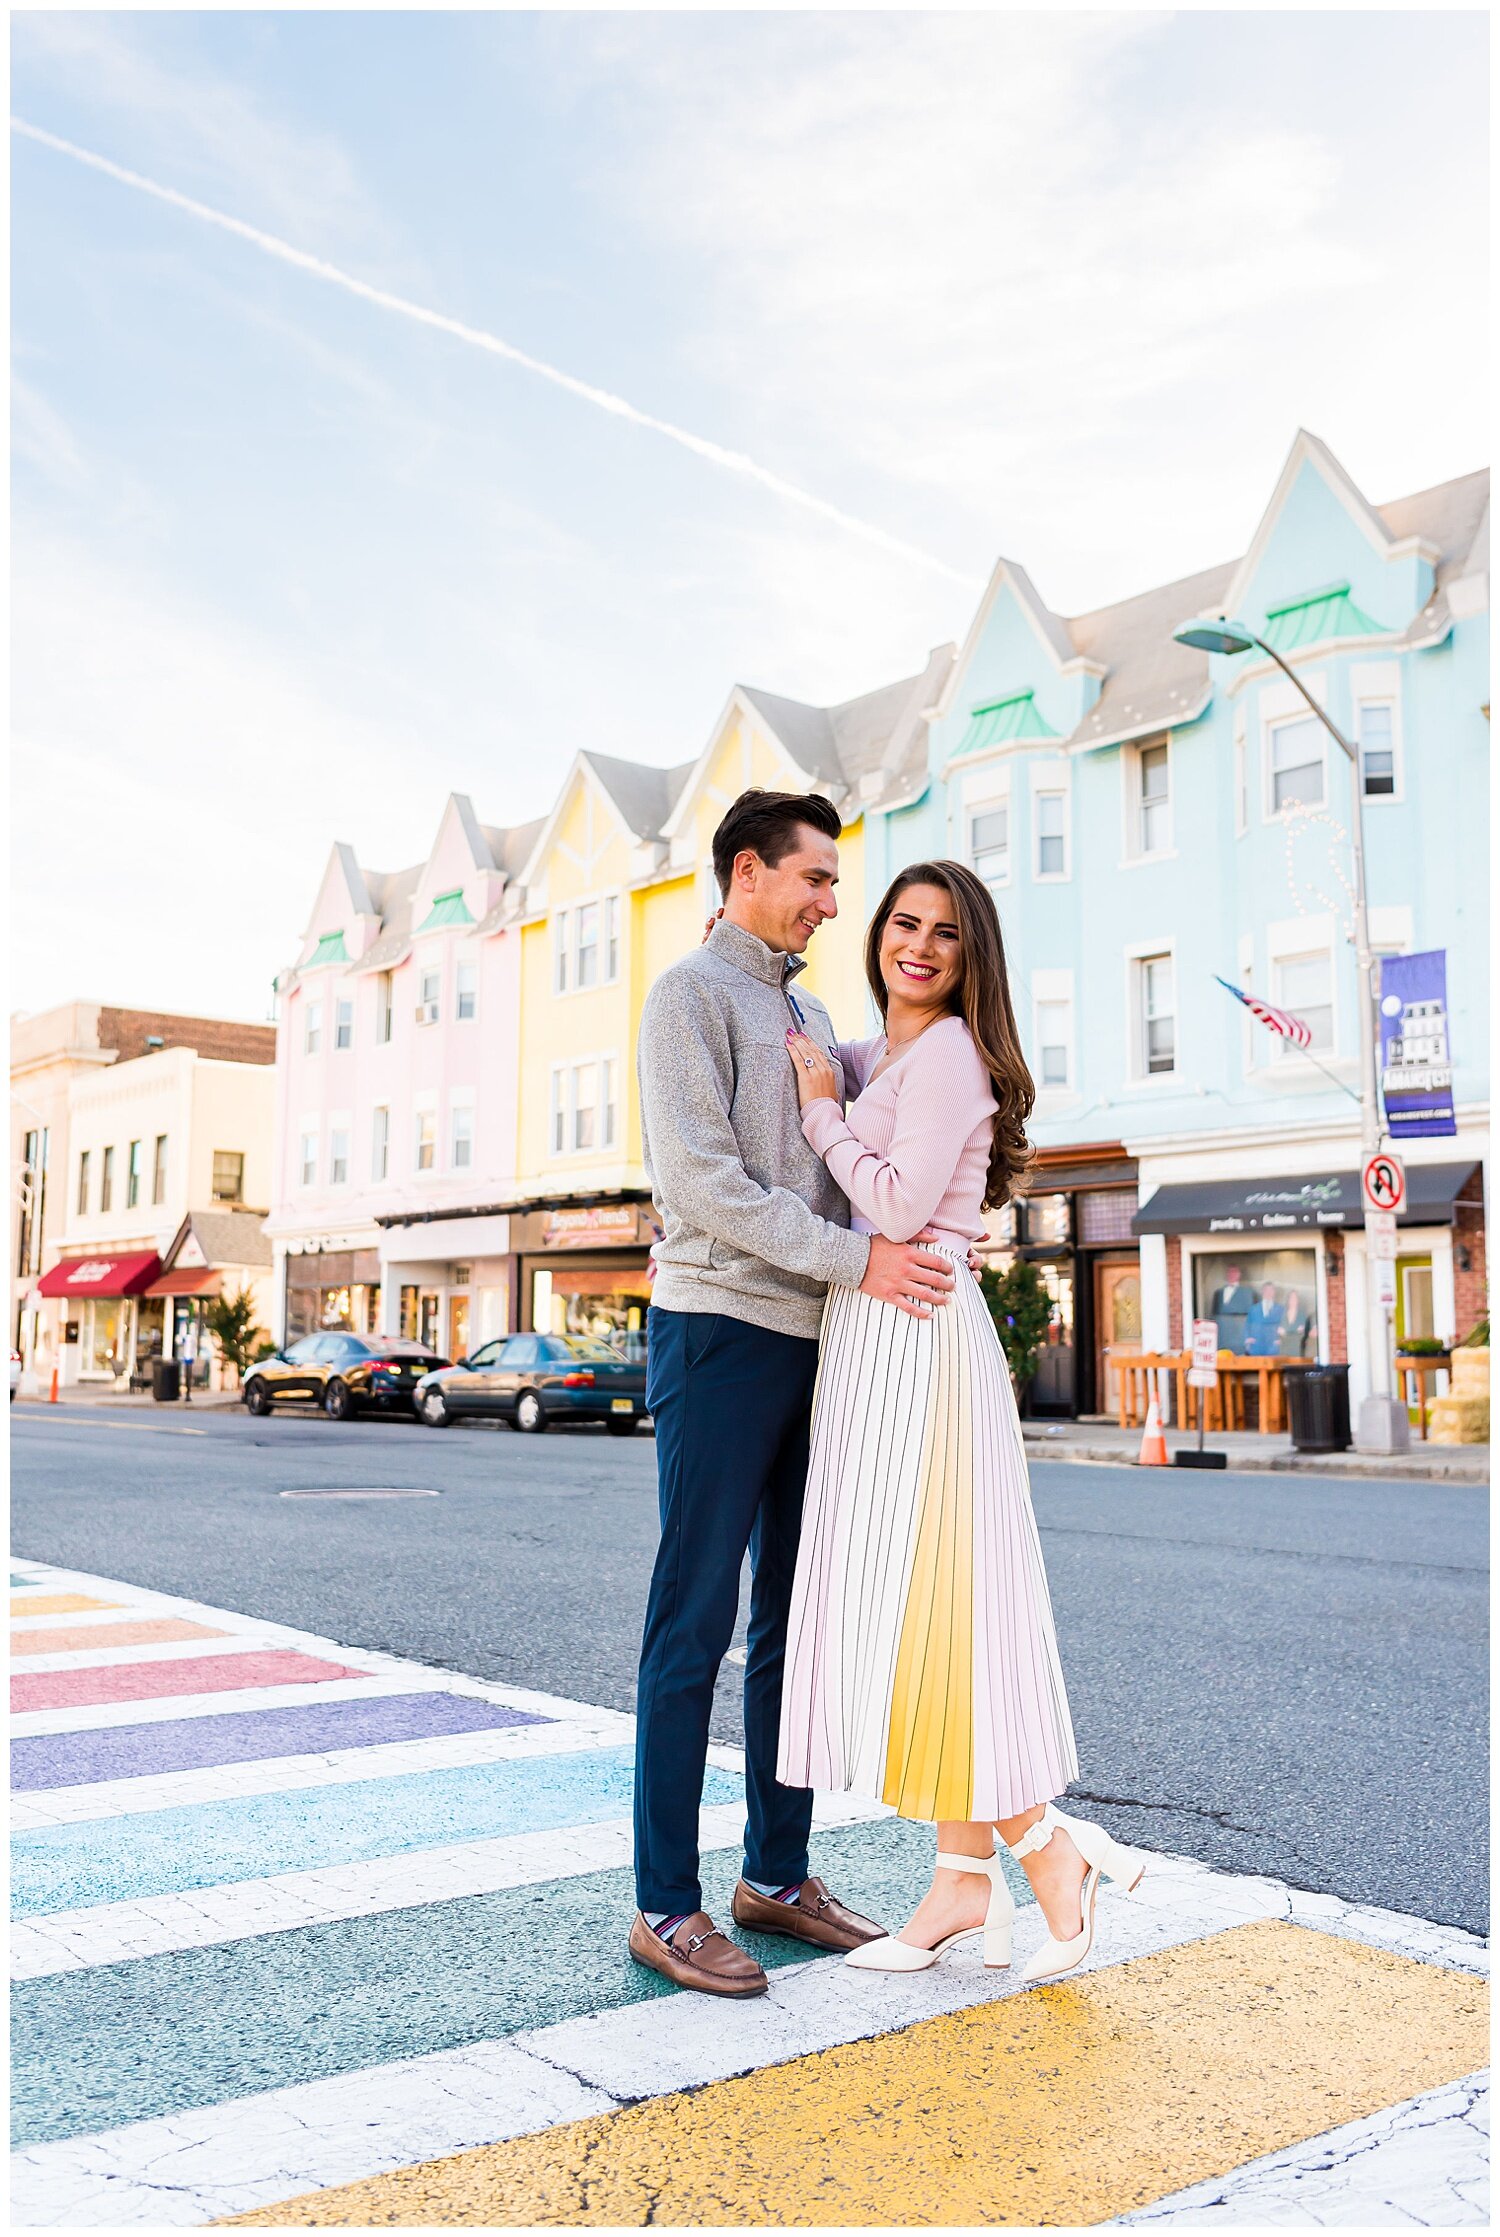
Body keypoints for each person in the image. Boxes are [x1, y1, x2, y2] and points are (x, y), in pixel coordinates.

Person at [779, 861, 1147, 1985]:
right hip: (881, 1333)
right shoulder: (888, 1048)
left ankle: (1044, 1851)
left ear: (970, 953)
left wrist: (819, 1116)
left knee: (932, 1614)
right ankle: (963, 1883)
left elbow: (890, 1203)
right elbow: (812, 1041)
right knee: (930, 1620)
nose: (921, 946)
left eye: (946, 933)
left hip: (919, 1337)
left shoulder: (944, 1056)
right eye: (904, 923)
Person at [630, 789, 963, 1999]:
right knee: (693, 1618)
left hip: (817, 1341)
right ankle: (666, 1901)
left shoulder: (813, 1008)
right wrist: (858, 1258)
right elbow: (704, 1184)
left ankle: (777, 1872)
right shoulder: (688, 998)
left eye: (835, 882)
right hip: (718, 1329)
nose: (836, 901)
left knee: (797, 1623)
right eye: (817, 877)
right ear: (746, 871)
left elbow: (870, 1144)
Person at [1243, 1283, 1285, 1356]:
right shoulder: (1253, 1309)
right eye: (1266, 1290)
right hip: (1256, 1346)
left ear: (1274, 1292)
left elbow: (1284, 1326)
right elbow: (1247, 1325)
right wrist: (1247, 1339)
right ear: (1262, 1291)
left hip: (1273, 1347)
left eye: (1271, 1290)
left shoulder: (1281, 1309)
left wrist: (1282, 1340)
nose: (1268, 1293)